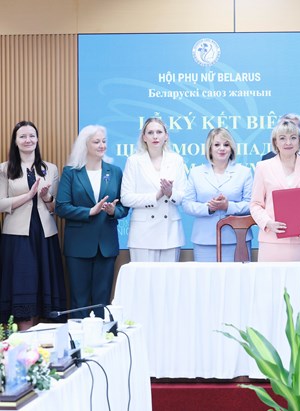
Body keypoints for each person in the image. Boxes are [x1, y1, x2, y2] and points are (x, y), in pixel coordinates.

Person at [55, 125, 129, 318]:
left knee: (102, 301)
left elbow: (124, 207)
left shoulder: (115, 171)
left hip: (106, 245)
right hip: (78, 246)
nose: (102, 145)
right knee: (78, 301)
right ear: (84, 145)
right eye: (96, 142)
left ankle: (103, 336)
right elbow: (61, 207)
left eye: (104, 141)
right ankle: (78, 337)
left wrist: (113, 211)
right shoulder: (71, 172)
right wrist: (89, 212)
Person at [0, 121, 66, 329]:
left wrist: (46, 198)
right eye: (22, 136)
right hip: (17, 236)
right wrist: (28, 196)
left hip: (45, 235)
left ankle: (37, 339)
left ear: (37, 139)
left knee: (42, 286)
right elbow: (1, 203)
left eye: (32, 136)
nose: (28, 140)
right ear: (15, 141)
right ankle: (22, 339)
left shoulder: (50, 168)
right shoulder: (4, 169)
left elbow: (56, 207)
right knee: (23, 284)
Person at [251, 120, 300, 261]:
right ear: (275, 142)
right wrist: (268, 223)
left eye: (293, 138)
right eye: (282, 138)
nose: (288, 142)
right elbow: (255, 204)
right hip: (271, 241)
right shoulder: (263, 167)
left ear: (299, 141)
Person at [120, 118, 186, 262]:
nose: (155, 136)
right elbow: (125, 198)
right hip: (142, 233)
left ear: (166, 136)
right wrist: (155, 196)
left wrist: (170, 193)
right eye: (150, 132)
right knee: (143, 276)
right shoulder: (134, 161)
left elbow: (183, 197)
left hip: (170, 232)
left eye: (159, 132)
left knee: (168, 276)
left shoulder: (176, 160)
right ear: (144, 137)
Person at [183, 128, 253, 262]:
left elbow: (251, 204)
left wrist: (228, 206)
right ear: (209, 148)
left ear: (231, 148)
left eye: (226, 145)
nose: (222, 148)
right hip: (204, 240)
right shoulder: (196, 173)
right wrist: (209, 208)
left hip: (237, 238)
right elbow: (187, 205)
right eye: (217, 145)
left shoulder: (244, 172)